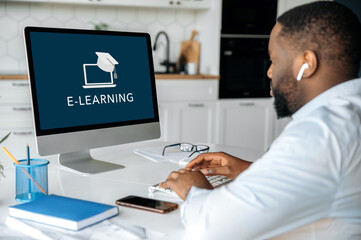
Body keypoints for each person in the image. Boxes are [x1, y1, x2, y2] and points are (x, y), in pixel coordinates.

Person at [159, 2, 361, 239]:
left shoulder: (321, 132)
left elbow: (213, 228)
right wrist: (250, 170)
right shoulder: (349, 113)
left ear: (307, 63)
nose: (269, 72)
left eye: (274, 60)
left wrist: (193, 188)